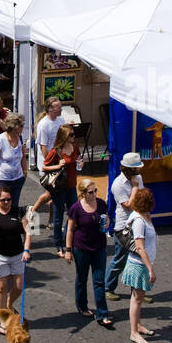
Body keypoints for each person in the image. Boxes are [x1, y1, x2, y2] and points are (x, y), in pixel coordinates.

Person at [65, 177, 114, 328]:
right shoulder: (76, 208)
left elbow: (108, 219)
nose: (94, 194)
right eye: (91, 192)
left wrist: (108, 222)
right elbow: (70, 230)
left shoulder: (101, 204)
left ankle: (102, 313)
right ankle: (82, 306)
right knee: (82, 279)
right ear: (83, 193)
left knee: (99, 281)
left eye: (95, 191)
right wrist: (68, 250)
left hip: (99, 247)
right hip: (81, 249)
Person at [0, 184, 31, 323]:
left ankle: (9, 303)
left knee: (19, 287)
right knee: (1, 288)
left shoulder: (19, 212)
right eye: (3, 200)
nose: (7, 202)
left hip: (17, 255)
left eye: (9, 199)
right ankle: (3, 319)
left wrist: (26, 250)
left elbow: (28, 233)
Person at [105, 152, 148, 300]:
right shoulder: (118, 184)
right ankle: (108, 287)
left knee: (139, 259)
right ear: (130, 169)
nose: (140, 171)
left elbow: (141, 199)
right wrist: (135, 187)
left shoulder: (138, 178)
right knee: (120, 260)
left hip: (138, 223)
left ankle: (137, 291)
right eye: (137, 168)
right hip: (123, 227)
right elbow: (129, 205)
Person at [120, 187, 157, 343]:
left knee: (139, 298)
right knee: (136, 299)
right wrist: (150, 268)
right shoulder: (139, 222)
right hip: (139, 265)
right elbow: (140, 246)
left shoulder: (144, 216)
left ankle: (138, 325)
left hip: (141, 264)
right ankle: (134, 332)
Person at [43, 126, 79, 255]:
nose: (74, 137)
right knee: (58, 217)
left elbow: (78, 160)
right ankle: (59, 244)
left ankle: (66, 238)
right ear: (64, 136)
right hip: (59, 187)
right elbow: (44, 167)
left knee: (73, 214)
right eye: (71, 135)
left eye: (74, 135)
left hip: (72, 185)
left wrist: (80, 164)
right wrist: (58, 165)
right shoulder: (56, 151)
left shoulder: (75, 147)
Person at [0, 114, 28, 212]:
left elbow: (22, 157)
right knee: (1, 206)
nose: (23, 127)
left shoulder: (20, 138)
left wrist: (24, 173)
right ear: (14, 126)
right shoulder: (0, 140)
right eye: (21, 125)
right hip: (2, 180)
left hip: (17, 179)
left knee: (13, 207)